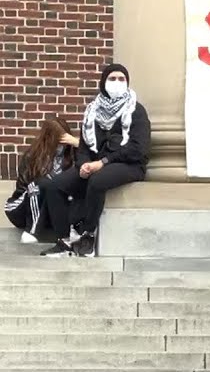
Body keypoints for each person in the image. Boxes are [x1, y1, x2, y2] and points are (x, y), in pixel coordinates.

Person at [41, 63, 150, 258]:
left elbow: (138, 148)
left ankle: (88, 234)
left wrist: (104, 161)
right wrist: (82, 164)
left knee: (98, 180)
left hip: (128, 164)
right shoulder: (92, 111)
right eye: (112, 79)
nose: (117, 83)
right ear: (103, 82)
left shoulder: (136, 110)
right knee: (54, 185)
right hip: (95, 164)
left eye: (121, 79)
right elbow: (83, 146)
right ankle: (64, 239)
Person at [5, 117, 76, 243]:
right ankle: (32, 232)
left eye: (64, 140)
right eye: (57, 140)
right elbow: (26, 188)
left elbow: (95, 157)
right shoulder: (33, 156)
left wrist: (76, 143)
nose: (61, 145)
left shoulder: (73, 157)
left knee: (58, 190)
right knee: (42, 184)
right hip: (23, 206)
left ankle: (64, 236)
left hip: (53, 211)